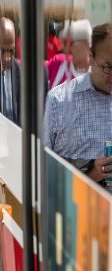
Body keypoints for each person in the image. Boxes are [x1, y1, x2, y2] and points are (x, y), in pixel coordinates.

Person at [44, 22, 112, 184]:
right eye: (108, 67)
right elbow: (44, 166)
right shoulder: (58, 101)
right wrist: (90, 172)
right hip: (73, 206)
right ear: (91, 57)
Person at [45, 19, 92, 89]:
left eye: (70, 43)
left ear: (86, 44)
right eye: (63, 42)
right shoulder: (58, 62)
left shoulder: (98, 77)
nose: (63, 48)